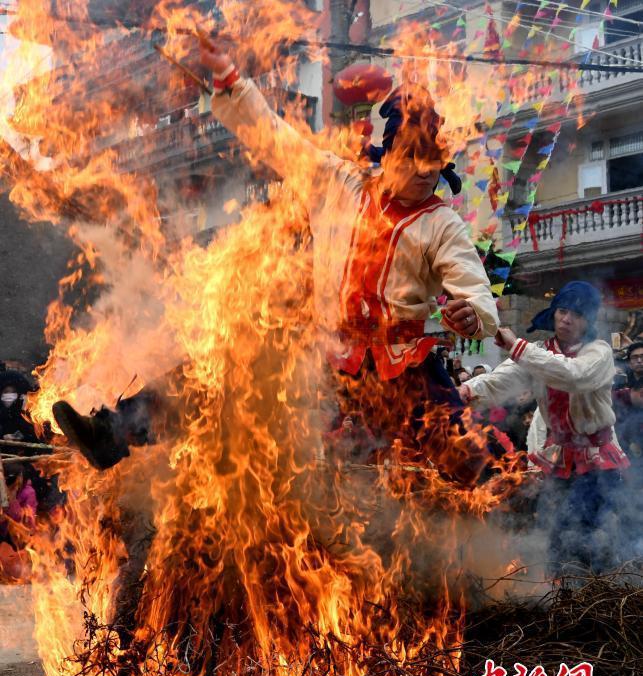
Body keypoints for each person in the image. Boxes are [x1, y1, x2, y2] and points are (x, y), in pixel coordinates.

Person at [52, 36, 500, 486]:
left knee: (472, 463)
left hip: (402, 366)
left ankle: (508, 526)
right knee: (217, 376)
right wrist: (231, 80)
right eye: (414, 156)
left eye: (434, 159)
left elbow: (475, 289)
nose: (425, 171)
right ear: (389, 154)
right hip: (327, 354)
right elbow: (274, 138)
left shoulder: (443, 224)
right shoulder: (338, 183)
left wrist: (472, 315)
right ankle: (110, 434)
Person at [459, 281, 629, 574]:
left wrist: (517, 347)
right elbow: (501, 381)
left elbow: (572, 375)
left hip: (597, 461)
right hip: (559, 459)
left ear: (587, 320)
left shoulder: (598, 352)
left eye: (576, 314)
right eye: (562, 310)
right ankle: (562, 593)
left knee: (588, 530)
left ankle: (600, 594)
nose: (566, 319)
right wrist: (464, 391)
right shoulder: (538, 353)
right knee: (552, 529)